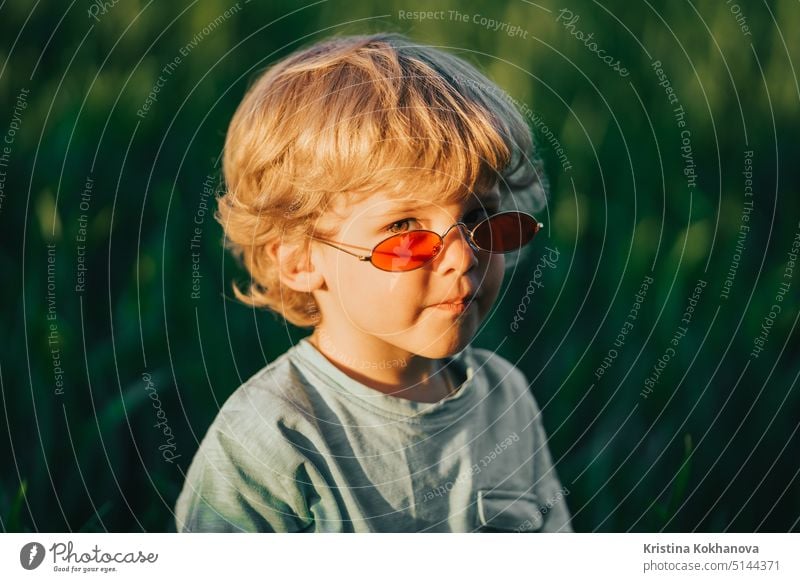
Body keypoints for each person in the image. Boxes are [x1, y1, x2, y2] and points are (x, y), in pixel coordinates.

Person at [174, 32, 572, 532]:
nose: (463, 256)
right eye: (404, 228)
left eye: (480, 216)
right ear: (299, 260)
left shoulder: (505, 400)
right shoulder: (270, 438)